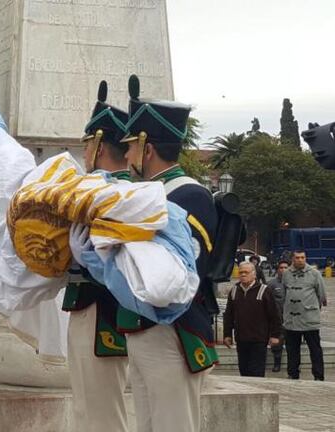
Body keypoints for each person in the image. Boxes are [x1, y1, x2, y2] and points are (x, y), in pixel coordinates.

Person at [120, 75, 218, 432]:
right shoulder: (151, 193)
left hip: (174, 330)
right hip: (144, 326)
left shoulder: (188, 195)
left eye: (130, 146)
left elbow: (180, 269)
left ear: (147, 148)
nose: (126, 155)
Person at [63, 80, 131, 432]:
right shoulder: (109, 189)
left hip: (103, 310)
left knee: (101, 412)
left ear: (100, 144)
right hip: (89, 305)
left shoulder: (110, 191)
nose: (84, 150)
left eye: (87, 143)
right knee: (88, 408)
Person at [222, 262, 281, 377]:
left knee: (256, 371)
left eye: (246, 272)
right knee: (243, 369)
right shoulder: (234, 290)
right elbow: (229, 315)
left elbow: (274, 315)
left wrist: (275, 335)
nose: (243, 275)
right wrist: (227, 334)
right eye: (241, 272)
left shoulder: (264, 290)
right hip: (241, 338)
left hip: (259, 339)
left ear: (254, 274)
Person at [282, 250, 327, 381]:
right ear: (293, 259)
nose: (300, 260)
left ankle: (319, 376)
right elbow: (285, 293)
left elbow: (321, 295)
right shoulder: (286, 274)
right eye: (297, 258)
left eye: (303, 257)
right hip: (292, 319)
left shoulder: (314, 274)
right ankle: (293, 374)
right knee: (292, 350)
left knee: (315, 349)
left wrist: (311, 308)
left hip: (309, 318)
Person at [266, 259, 289, 372]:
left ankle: (293, 366)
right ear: (277, 269)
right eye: (281, 267)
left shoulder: (294, 283)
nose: (283, 270)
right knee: (277, 344)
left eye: (286, 267)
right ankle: (277, 364)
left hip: (292, 319)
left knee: (292, 344)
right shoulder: (271, 284)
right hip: (277, 320)